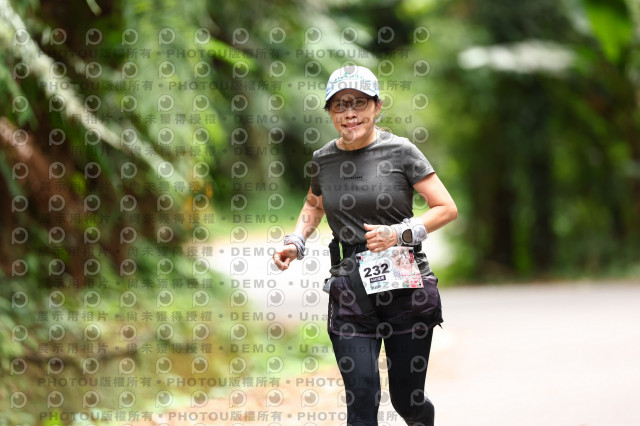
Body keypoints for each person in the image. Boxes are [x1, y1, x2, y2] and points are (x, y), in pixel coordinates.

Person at [273, 65, 457, 426]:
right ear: (330, 112)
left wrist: (399, 234)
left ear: (377, 106)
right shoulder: (323, 159)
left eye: (359, 102)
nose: (350, 113)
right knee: (361, 402)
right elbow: (314, 204)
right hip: (350, 291)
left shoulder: (401, 151)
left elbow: (446, 208)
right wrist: (297, 240)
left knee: (408, 401)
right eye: (339, 105)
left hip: (405, 287)